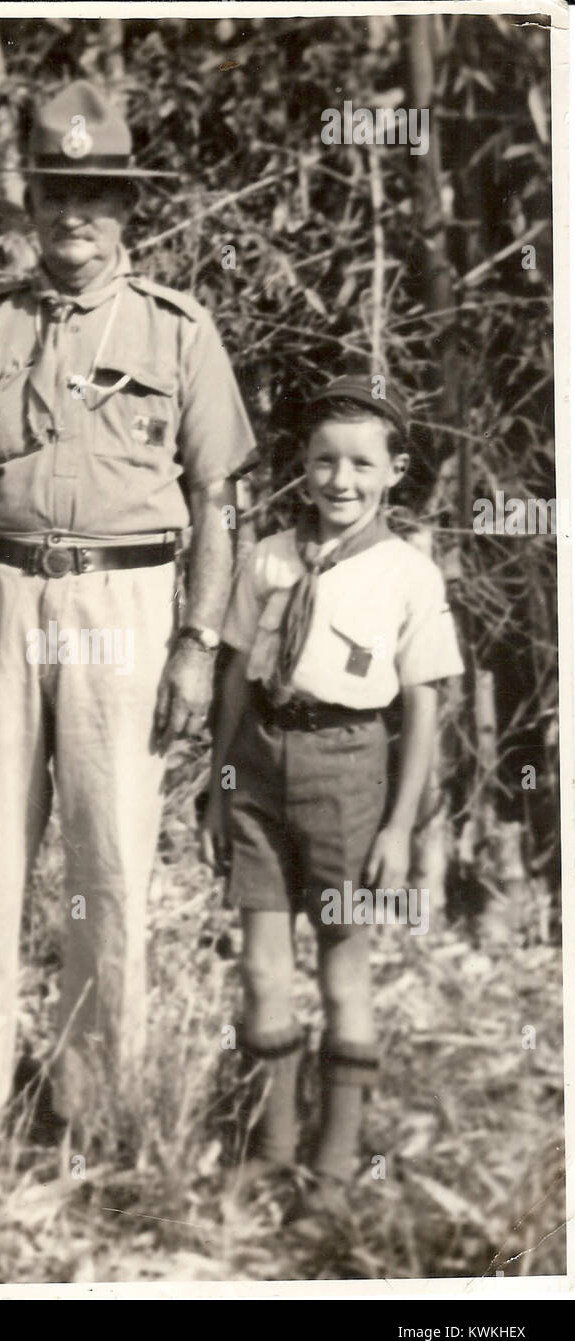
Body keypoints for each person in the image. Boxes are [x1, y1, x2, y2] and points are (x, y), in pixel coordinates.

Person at [0, 80, 255, 1124]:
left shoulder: (179, 331)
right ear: (32, 201)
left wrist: (198, 642)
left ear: (127, 207)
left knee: (111, 858)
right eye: (57, 190)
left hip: (126, 605)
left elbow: (218, 498)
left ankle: (96, 1104)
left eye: (97, 193)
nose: (75, 215)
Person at [202, 375, 463, 1216]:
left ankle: (337, 1166)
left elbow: (423, 703)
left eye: (360, 464)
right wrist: (220, 783)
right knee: (261, 969)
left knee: (344, 973)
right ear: (302, 468)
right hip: (260, 762)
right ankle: (270, 1150)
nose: (339, 481)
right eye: (323, 461)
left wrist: (398, 825)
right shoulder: (268, 557)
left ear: (395, 471)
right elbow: (237, 677)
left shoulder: (406, 573)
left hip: (350, 767)